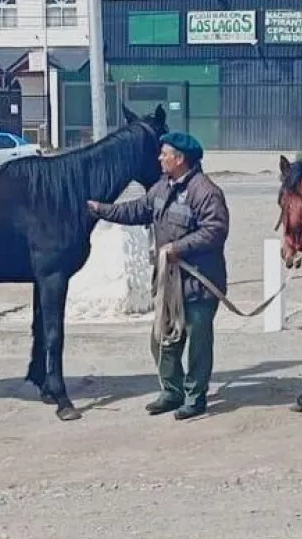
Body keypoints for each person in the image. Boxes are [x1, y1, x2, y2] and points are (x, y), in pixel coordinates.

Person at [87, 131, 229, 420]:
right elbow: (137, 210)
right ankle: (172, 391)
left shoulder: (205, 192)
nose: (160, 158)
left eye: (165, 154)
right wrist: (100, 210)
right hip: (169, 283)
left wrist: (178, 248)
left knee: (198, 344)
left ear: (180, 159)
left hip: (199, 283)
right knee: (162, 340)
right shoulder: (161, 187)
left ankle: (195, 397)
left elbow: (215, 230)